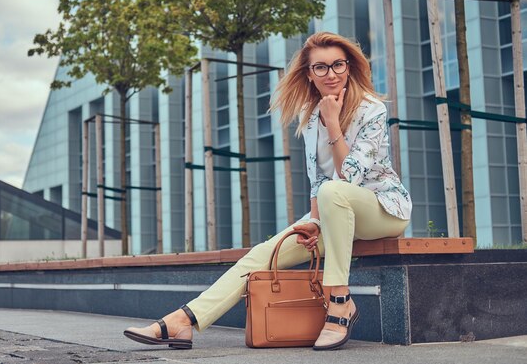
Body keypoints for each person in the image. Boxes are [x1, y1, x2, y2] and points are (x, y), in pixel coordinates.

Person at [123, 31, 412, 351]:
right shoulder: (312, 115)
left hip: (383, 209)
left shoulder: (371, 110)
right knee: (262, 254)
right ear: (309, 74)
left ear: (349, 68)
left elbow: (349, 176)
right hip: (333, 210)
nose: (331, 74)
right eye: (321, 67)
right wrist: (314, 224)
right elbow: (317, 181)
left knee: (335, 190)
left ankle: (340, 302)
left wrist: (334, 124)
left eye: (338, 65)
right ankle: (183, 320)